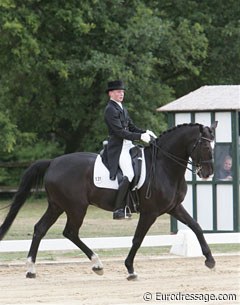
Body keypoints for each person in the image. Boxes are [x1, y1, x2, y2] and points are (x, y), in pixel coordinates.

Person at [102, 80, 157, 220]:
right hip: (118, 147)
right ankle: (118, 208)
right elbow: (119, 132)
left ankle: (135, 202)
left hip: (129, 145)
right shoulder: (110, 109)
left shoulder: (122, 108)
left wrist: (146, 132)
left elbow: (131, 127)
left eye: (122, 92)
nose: (121, 94)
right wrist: (140, 136)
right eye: (118, 92)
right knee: (129, 174)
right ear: (111, 93)